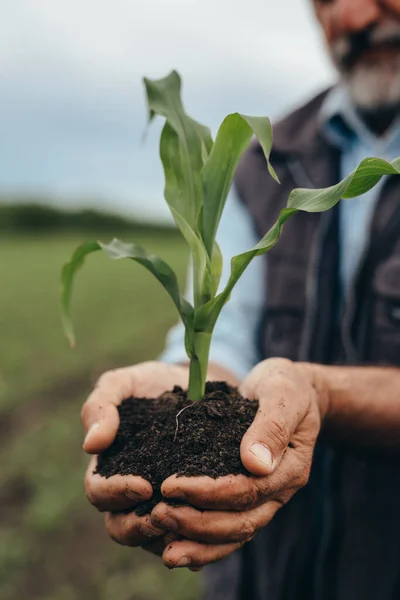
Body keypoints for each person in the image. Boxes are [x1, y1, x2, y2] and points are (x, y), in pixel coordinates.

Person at [81, 1, 400, 598]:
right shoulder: (260, 159)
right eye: (328, 0)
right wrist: (179, 379)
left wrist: (325, 394)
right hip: (260, 573)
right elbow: (223, 329)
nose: (354, 16)